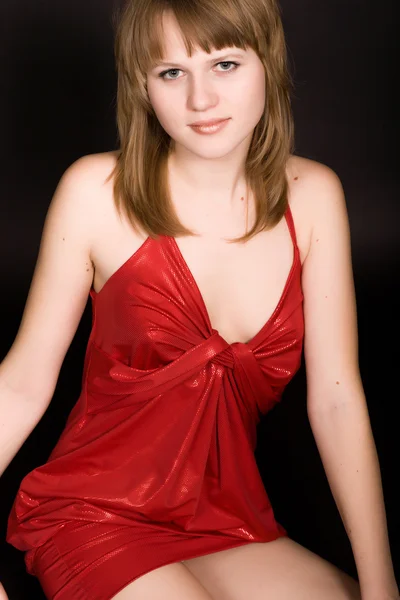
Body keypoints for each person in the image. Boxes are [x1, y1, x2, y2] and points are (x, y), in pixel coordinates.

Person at [0, 0, 398, 598]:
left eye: (225, 64)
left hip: (226, 521)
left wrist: (381, 584)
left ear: (268, 63)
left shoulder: (315, 196)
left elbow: (337, 401)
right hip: (92, 513)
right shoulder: (93, 192)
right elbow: (22, 384)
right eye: (171, 73)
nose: (201, 100)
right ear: (144, 86)